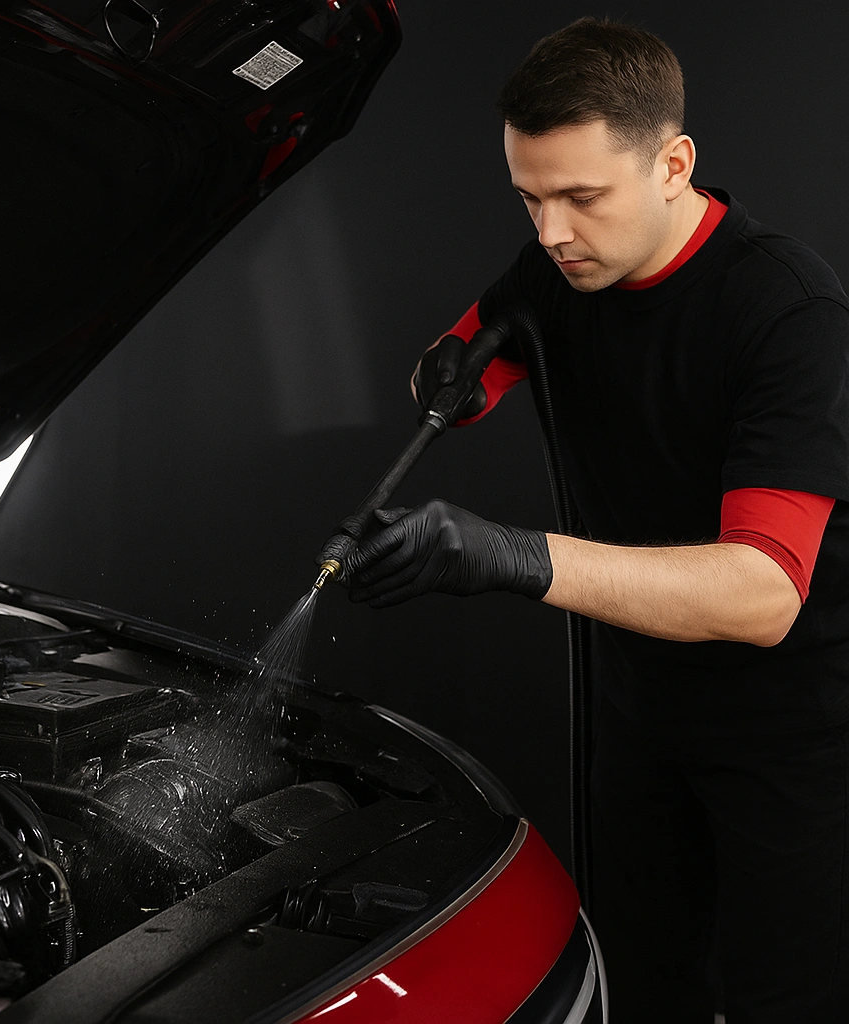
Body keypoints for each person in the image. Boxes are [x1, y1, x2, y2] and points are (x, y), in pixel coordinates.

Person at [343, 17, 849, 1024]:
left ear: (672, 164)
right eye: (529, 197)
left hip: (788, 736)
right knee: (641, 983)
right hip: (637, 715)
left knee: (786, 1000)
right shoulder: (559, 270)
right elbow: (467, 355)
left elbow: (760, 594)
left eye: (580, 196)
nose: (549, 231)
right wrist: (444, 371)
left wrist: (514, 556)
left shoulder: (785, 312)